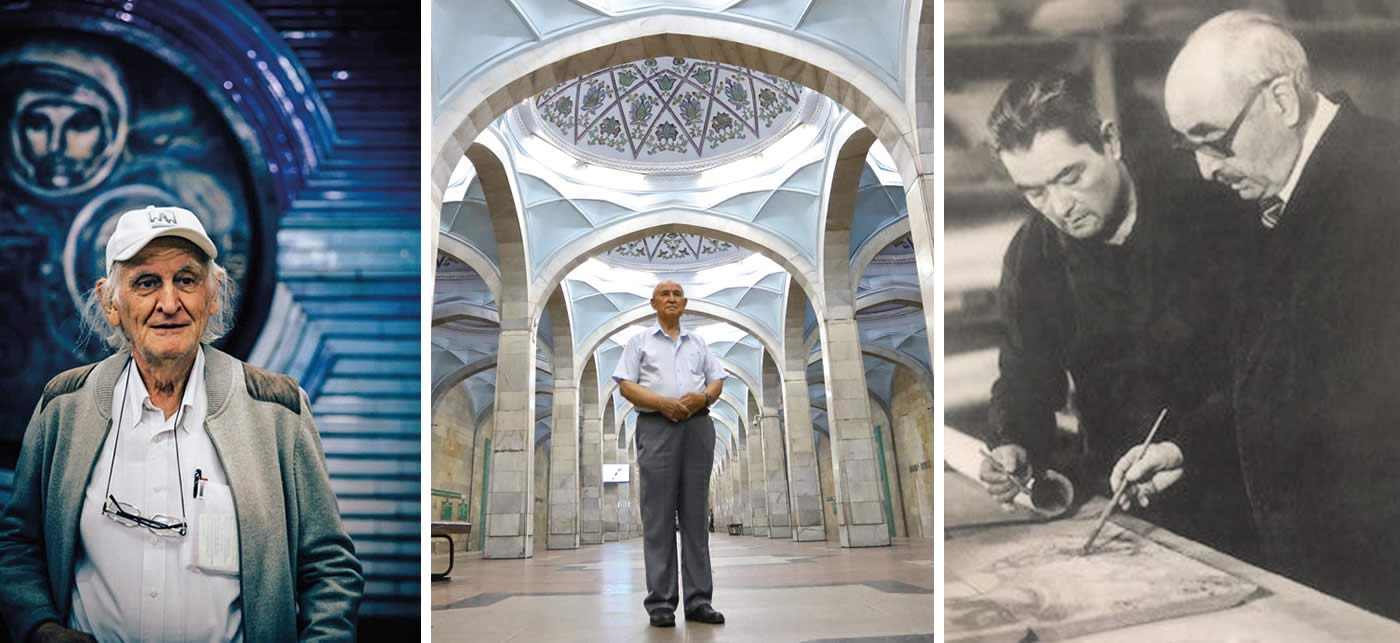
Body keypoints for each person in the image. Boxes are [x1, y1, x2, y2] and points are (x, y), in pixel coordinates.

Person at [1119, 9, 1400, 618]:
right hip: (1309, 576)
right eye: (1186, 146)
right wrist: (1186, 447)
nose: (1204, 167)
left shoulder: (1387, 180)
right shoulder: (1261, 197)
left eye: (1214, 140)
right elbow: (1274, 380)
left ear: (1281, 99)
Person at [0, 206, 363, 641]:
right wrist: (41, 628)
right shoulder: (64, 406)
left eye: (186, 280)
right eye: (146, 282)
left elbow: (329, 568)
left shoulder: (277, 411)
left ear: (213, 295)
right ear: (110, 302)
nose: (169, 303)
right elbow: (18, 545)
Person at [976, 70, 1257, 559]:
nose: (1060, 207)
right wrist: (1013, 443)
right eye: (1034, 191)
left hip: (1244, 490)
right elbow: (1024, 375)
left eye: (1071, 177)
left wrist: (1190, 444)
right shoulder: (1033, 254)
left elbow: (1273, 374)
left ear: (1110, 140)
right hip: (1124, 507)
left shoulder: (1216, 208)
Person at [612, 280, 726, 628]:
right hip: (656, 426)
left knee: (694, 517)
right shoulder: (639, 342)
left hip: (697, 427)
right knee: (659, 517)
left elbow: (717, 380)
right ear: (653, 303)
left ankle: (698, 601)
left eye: (677, 294)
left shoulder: (699, 342)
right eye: (665, 294)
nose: (672, 299)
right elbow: (626, 384)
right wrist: (662, 403)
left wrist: (702, 399)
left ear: (685, 302)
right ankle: (661, 603)